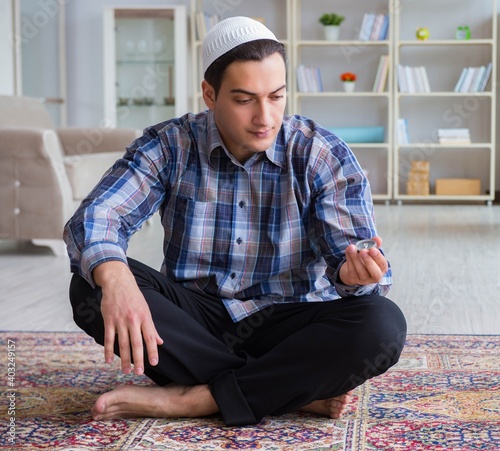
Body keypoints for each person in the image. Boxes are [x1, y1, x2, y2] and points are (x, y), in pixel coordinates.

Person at [64, 16, 407, 427]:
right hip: (198, 318)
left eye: (276, 96)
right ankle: (283, 388)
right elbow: (97, 215)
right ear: (210, 94)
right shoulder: (170, 144)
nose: (265, 117)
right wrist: (115, 277)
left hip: (291, 317)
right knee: (90, 284)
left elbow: (356, 261)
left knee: (381, 324)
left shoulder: (319, 153)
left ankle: (196, 398)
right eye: (245, 100)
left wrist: (355, 275)